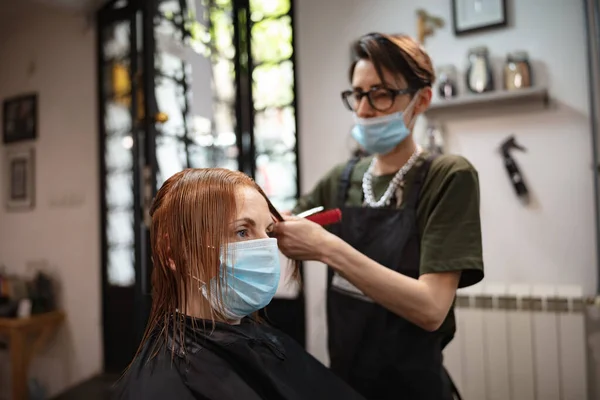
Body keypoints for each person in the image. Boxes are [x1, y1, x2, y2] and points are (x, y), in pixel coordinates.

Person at [274, 32, 484, 400]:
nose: (364, 109)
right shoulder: (341, 179)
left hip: (413, 388)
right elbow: (284, 219)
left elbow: (431, 308)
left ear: (421, 99)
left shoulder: (448, 177)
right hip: (344, 384)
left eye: (381, 93)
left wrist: (328, 249)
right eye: (357, 94)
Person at [114, 168, 365, 400]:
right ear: (173, 252)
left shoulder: (260, 341)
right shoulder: (163, 386)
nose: (267, 247)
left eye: (268, 231)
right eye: (242, 231)